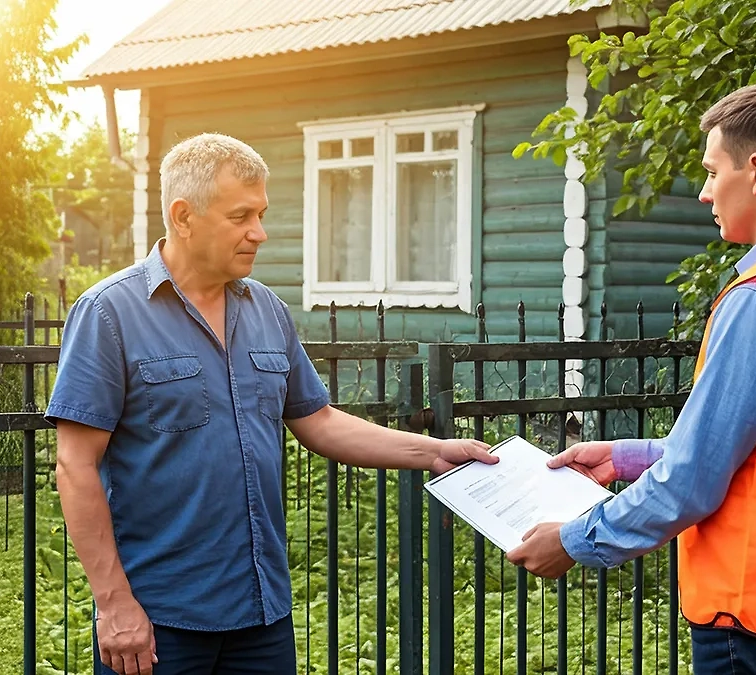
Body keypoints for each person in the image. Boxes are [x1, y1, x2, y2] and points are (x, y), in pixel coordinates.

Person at [46, 132, 496, 675]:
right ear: (183, 216)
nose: (259, 233)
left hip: (261, 613)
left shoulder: (268, 311)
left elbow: (319, 420)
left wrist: (433, 452)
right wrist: (114, 603)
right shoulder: (110, 314)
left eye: (260, 214)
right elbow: (75, 466)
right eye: (240, 216)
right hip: (158, 618)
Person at [506, 81, 756, 675]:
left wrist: (572, 542)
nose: (702, 193)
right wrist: (625, 457)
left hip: (755, 628)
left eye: (711, 172)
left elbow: (692, 480)